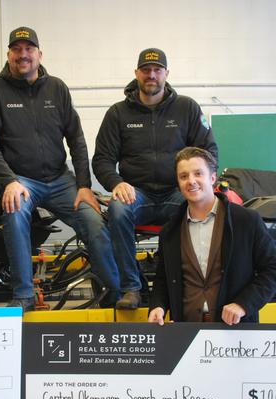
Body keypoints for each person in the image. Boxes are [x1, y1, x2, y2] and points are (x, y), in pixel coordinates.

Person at [0, 26, 119, 311]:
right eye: (17, 50)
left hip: (60, 179)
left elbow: (76, 139)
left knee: (93, 221)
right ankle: (24, 294)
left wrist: (84, 185)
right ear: (8, 55)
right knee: (15, 214)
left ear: (39, 54)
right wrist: (8, 181)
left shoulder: (57, 88)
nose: (23, 55)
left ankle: (115, 291)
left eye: (29, 49)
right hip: (20, 181)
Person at [92, 48, 218, 310]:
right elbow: (102, 159)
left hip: (178, 192)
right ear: (136, 73)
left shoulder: (187, 108)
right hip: (137, 194)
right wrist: (116, 183)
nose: (151, 75)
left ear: (166, 74)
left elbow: (209, 152)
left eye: (157, 70)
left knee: (205, 208)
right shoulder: (117, 113)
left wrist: (196, 182)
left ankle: (192, 284)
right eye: (146, 70)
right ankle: (131, 288)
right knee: (118, 209)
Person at [148, 147, 276, 325]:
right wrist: (158, 306)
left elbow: (274, 269)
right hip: (186, 331)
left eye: (198, 173)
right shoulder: (169, 231)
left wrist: (243, 304)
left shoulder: (246, 220)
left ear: (212, 178)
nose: (191, 181)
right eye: (183, 176)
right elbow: (163, 279)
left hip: (235, 331)